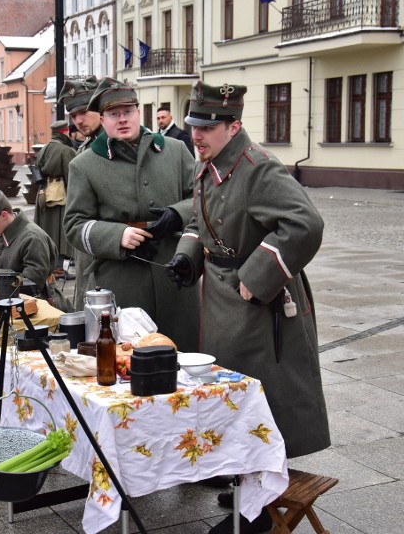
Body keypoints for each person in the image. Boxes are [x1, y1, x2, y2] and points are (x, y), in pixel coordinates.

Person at [164, 81, 329, 534]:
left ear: (233, 125)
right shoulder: (213, 164)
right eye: (194, 125)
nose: (196, 135)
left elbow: (305, 224)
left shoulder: (258, 168)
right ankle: (244, 483)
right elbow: (201, 220)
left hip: (260, 306)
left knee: (265, 399)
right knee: (233, 400)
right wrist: (186, 257)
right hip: (220, 300)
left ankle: (260, 507)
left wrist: (256, 280)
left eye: (207, 126)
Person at [63, 77, 200, 350]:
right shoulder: (84, 165)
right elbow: (74, 225)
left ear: (139, 113)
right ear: (102, 119)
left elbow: (202, 197)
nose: (122, 119)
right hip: (121, 281)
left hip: (175, 276)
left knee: (183, 357)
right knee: (130, 363)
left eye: (128, 112)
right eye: (114, 114)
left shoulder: (174, 151)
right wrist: (117, 235)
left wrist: (177, 213)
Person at [0, 182, 69, 309]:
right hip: (13, 299)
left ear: (4, 215)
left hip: (39, 304)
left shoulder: (32, 238)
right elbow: (0, 258)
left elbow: (31, 282)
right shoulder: (7, 230)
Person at [57, 76, 101, 310]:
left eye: (83, 111)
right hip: (86, 249)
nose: (78, 120)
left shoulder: (115, 148)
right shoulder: (85, 148)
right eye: (73, 115)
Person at [33, 120, 76, 275]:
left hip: (44, 193)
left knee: (46, 231)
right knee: (60, 232)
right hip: (59, 196)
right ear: (65, 133)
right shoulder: (65, 150)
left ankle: (51, 267)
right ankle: (58, 268)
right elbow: (73, 177)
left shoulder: (44, 149)